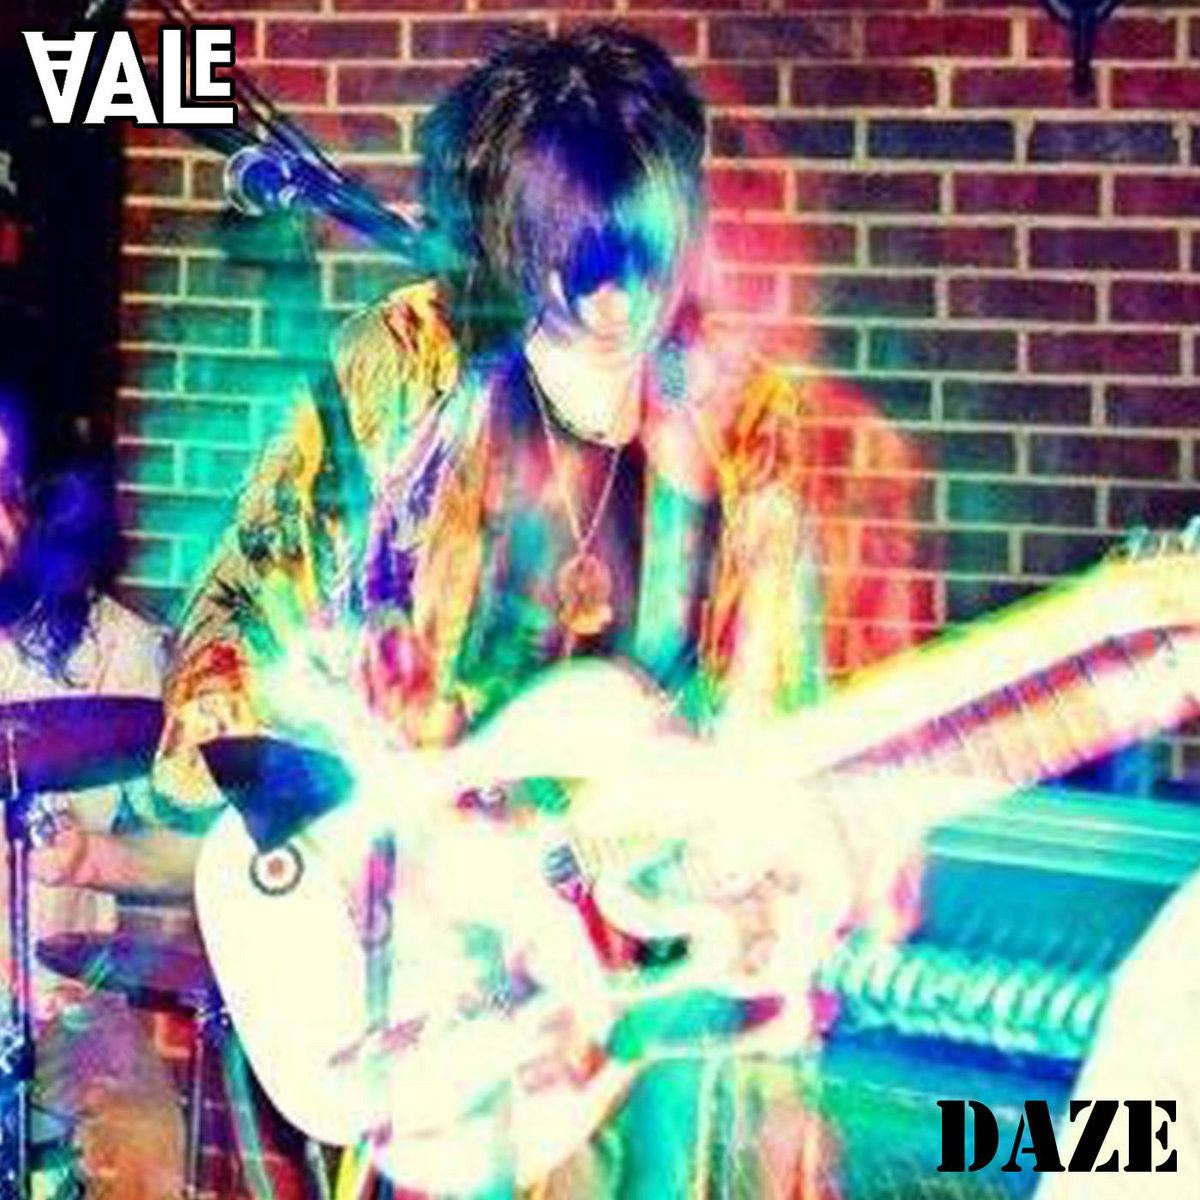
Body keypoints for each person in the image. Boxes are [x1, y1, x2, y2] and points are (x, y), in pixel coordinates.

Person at [157, 25, 926, 1198]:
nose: (616, 297)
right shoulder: (416, 367)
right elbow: (236, 627)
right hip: (427, 969)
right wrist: (409, 828)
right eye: (576, 256)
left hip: (638, 999)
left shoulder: (746, 432)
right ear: (511, 237)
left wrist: (766, 858)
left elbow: (775, 724)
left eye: (639, 251)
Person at [0, 392, 195, 1200]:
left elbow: (195, 855)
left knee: (148, 1145)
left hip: (66, 1014)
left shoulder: (123, 651)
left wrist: (91, 858)